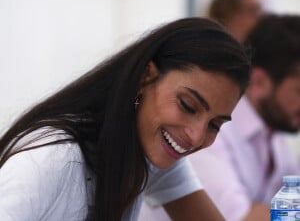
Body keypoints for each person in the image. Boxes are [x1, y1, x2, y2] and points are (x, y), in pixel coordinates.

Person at [0, 18, 251, 221]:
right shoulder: (54, 158)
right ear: (145, 77)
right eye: (188, 105)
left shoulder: (152, 152)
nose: (196, 135)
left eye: (214, 125)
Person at [188, 14, 300, 221]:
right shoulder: (211, 131)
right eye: (298, 91)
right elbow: (241, 219)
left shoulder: (276, 136)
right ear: (259, 82)